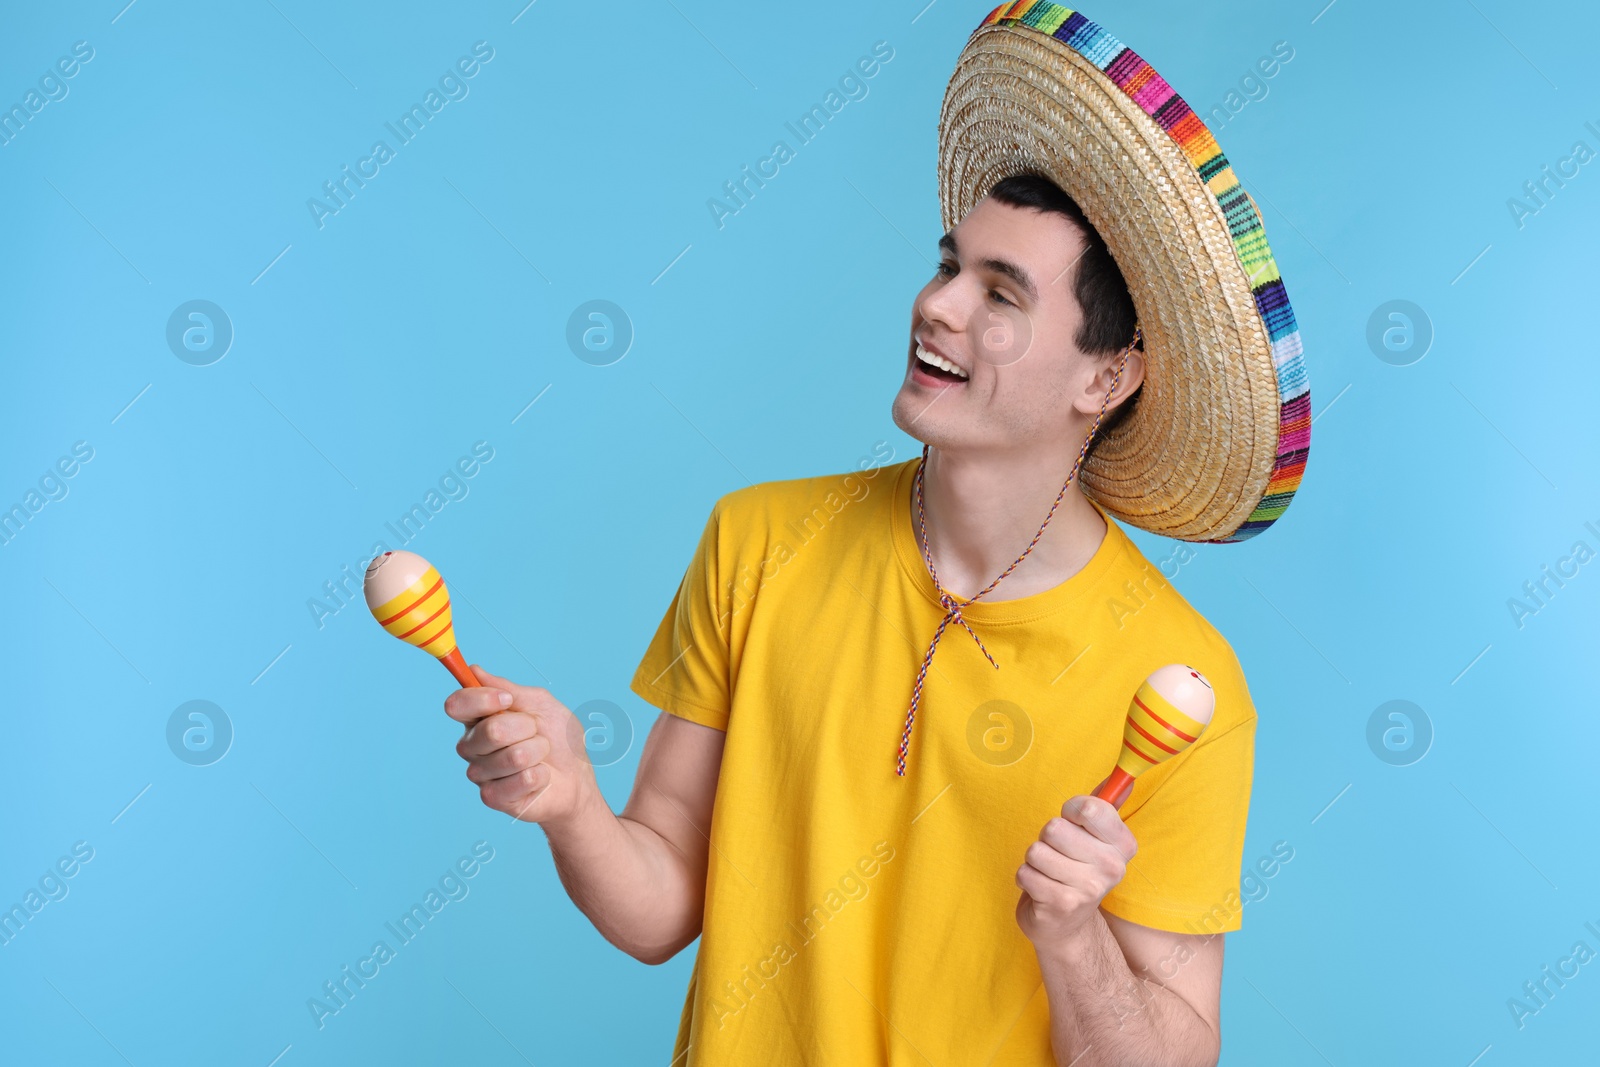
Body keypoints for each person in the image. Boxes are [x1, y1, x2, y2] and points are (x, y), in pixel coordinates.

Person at [443, 3, 1309, 1064]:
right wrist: (571, 800)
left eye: (1000, 294)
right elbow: (661, 904)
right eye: (949, 265)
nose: (937, 306)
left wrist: (1073, 937)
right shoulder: (760, 540)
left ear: (1105, 375)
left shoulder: (1178, 681)